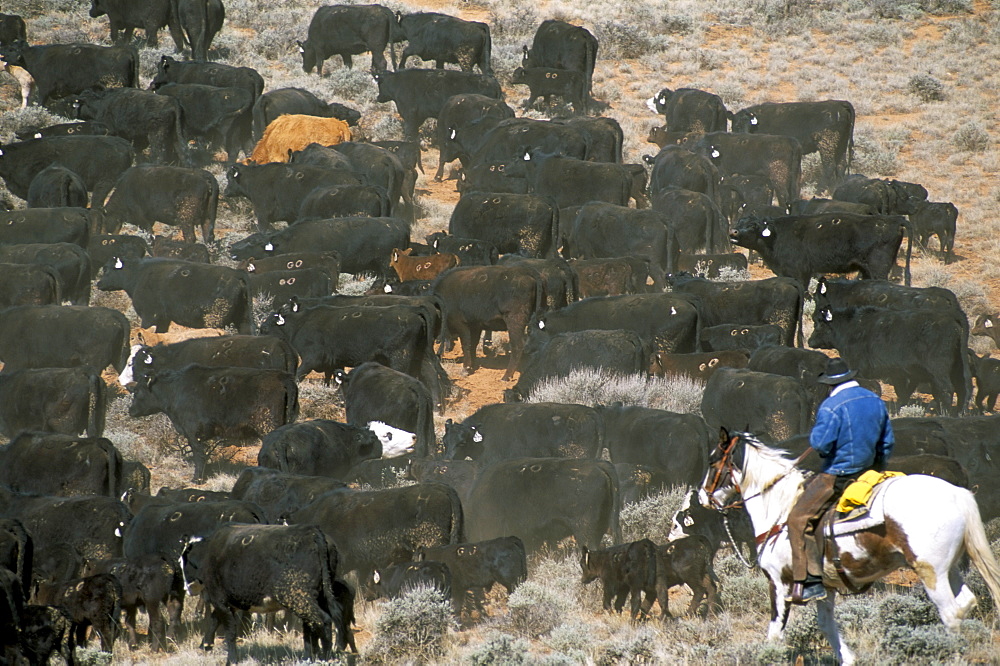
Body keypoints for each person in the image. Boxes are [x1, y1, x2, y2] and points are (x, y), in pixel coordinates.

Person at [786, 357, 894, 604]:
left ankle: (811, 582)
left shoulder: (831, 406)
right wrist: (877, 468)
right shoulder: (875, 400)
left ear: (829, 383)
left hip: (838, 474)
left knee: (798, 520)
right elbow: (887, 443)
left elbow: (820, 443)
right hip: (870, 473)